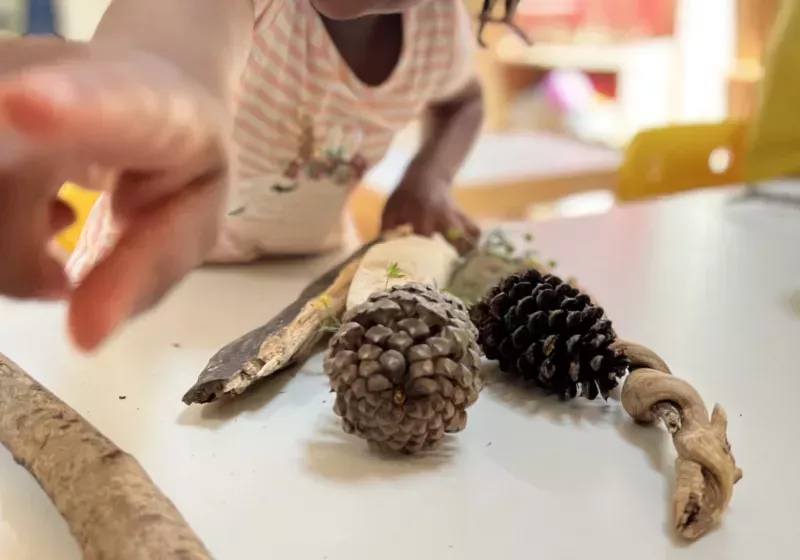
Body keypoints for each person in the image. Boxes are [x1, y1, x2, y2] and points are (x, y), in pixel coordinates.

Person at [0, 0, 485, 351]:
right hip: (156, 291)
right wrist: (154, 73)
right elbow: (185, 22)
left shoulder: (439, 26)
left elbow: (464, 102)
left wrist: (428, 177)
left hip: (312, 281)